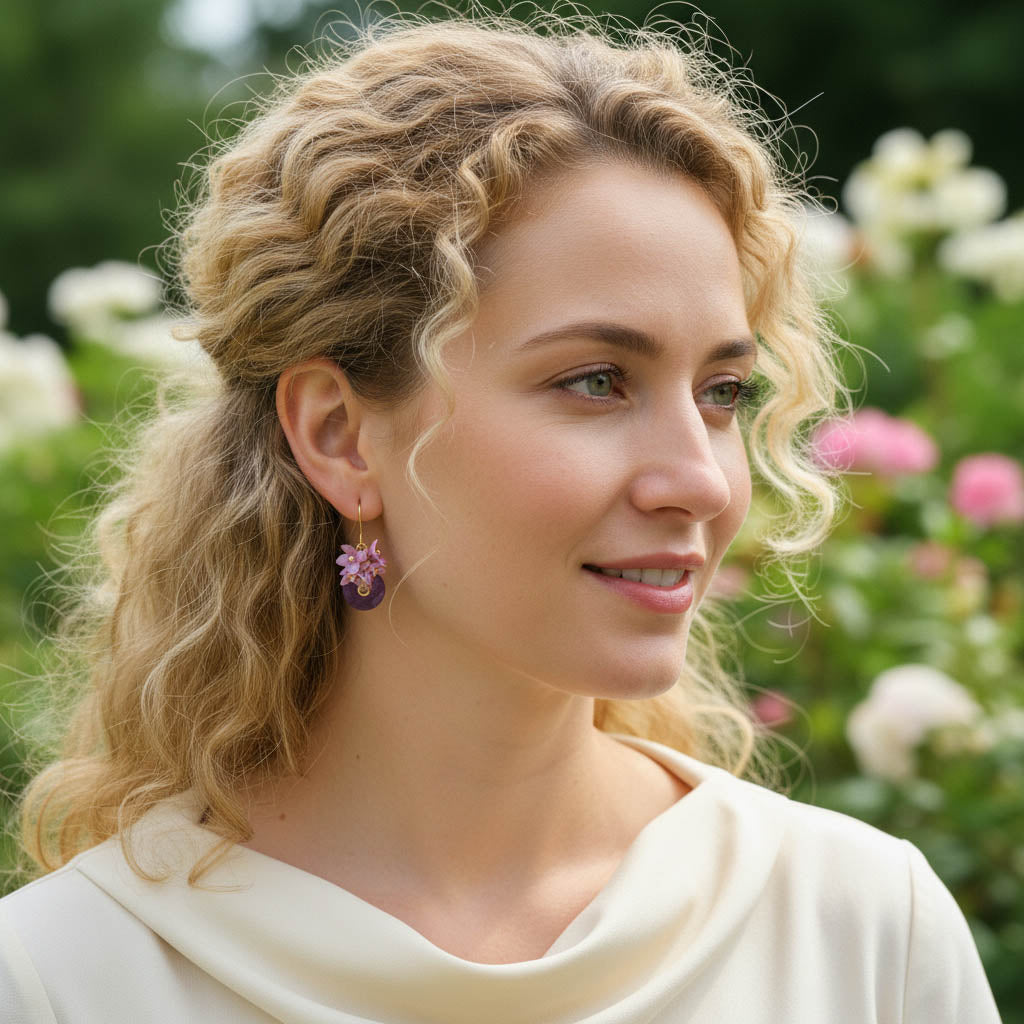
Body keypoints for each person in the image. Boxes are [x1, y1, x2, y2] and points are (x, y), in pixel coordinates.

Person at [0, 7, 1002, 1023]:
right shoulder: (67, 979)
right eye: (597, 381)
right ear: (341, 436)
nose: (698, 480)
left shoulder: (862, 933)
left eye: (722, 391)